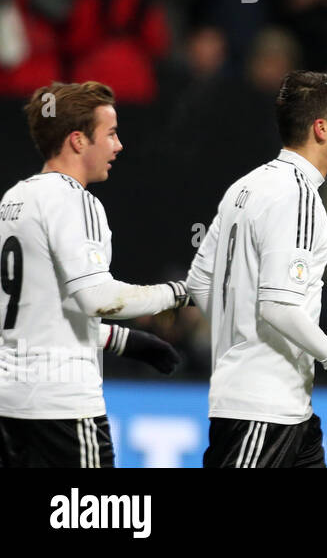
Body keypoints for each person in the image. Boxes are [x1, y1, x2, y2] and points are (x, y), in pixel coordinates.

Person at [186, 69, 327, 469]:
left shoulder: (244, 187)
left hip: (281, 410)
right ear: (321, 129)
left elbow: (200, 283)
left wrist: (235, 344)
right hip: (264, 412)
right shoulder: (298, 197)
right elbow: (278, 306)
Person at [0, 82, 189, 467]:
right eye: (111, 133)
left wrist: (123, 340)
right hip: (63, 407)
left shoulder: (14, 199)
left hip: (9, 404)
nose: (118, 146)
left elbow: (39, 312)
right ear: (77, 141)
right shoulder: (74, 199)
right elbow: (97, 297)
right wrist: (179, 292)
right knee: (92, 518)